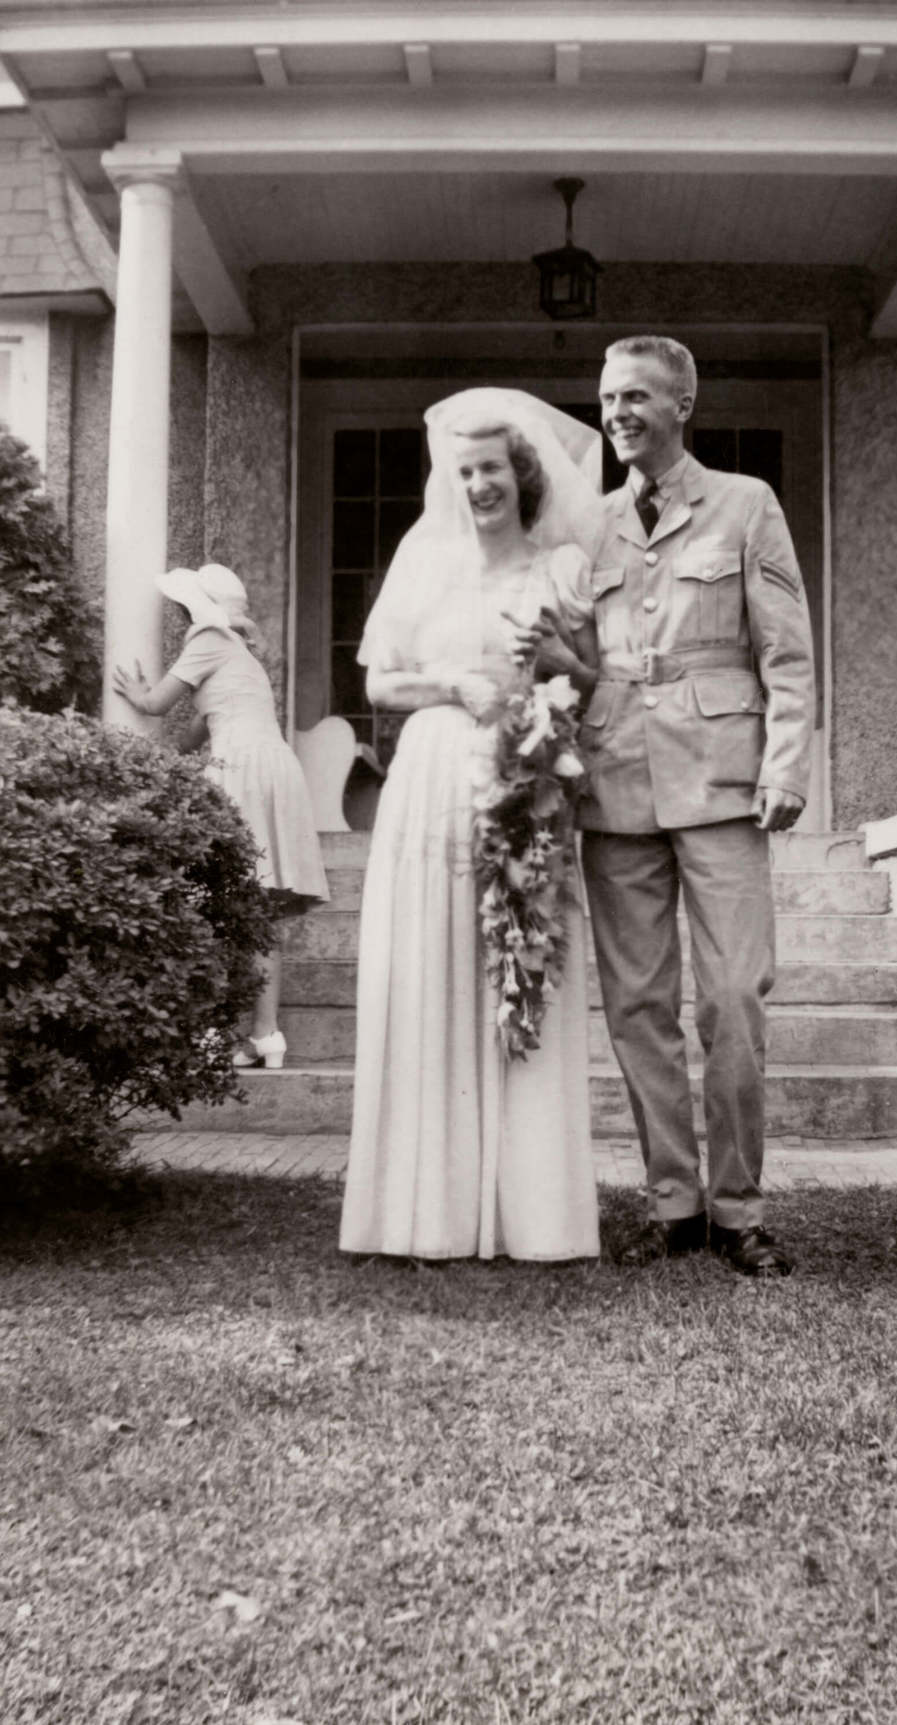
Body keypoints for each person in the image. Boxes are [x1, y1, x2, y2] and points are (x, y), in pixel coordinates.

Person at [565, 335, 816, 1276]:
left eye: (635, 396)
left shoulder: (746, 506)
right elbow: (568, 656)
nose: (617, 413)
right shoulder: (587, 526)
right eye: (606, 398)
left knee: (734, 1000)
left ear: (682, 406)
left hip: (721, 782)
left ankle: (739, 1208)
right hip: (614, 782)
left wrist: (786, 764)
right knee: (637, 1008)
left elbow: (785, 652)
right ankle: (673, 1203)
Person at [338, 389, 603, 1262]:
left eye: (493, 467)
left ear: (522, 473)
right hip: (429, 782)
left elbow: (590, 678)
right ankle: (426, 1213)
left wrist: (548, 679)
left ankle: (533, 1216)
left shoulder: (558, 567)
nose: (480, 483)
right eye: (466, 471)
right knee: (430, 969)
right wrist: (454, 685)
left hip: (524, 780)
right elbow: (379, 684)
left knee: (518, 970)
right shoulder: (422, 563)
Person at [113, 562, 329, 1067]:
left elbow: (157, 704)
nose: (178, 615)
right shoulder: (239, 655)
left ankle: (212, 1031)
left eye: (182, 607)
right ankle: (266, 1036)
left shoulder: (208, 638)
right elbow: (196, 732)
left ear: (197, 608)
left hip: (244, 771)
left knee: (219, 904)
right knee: (260, 913)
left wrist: (137, 694)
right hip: (274, 767)